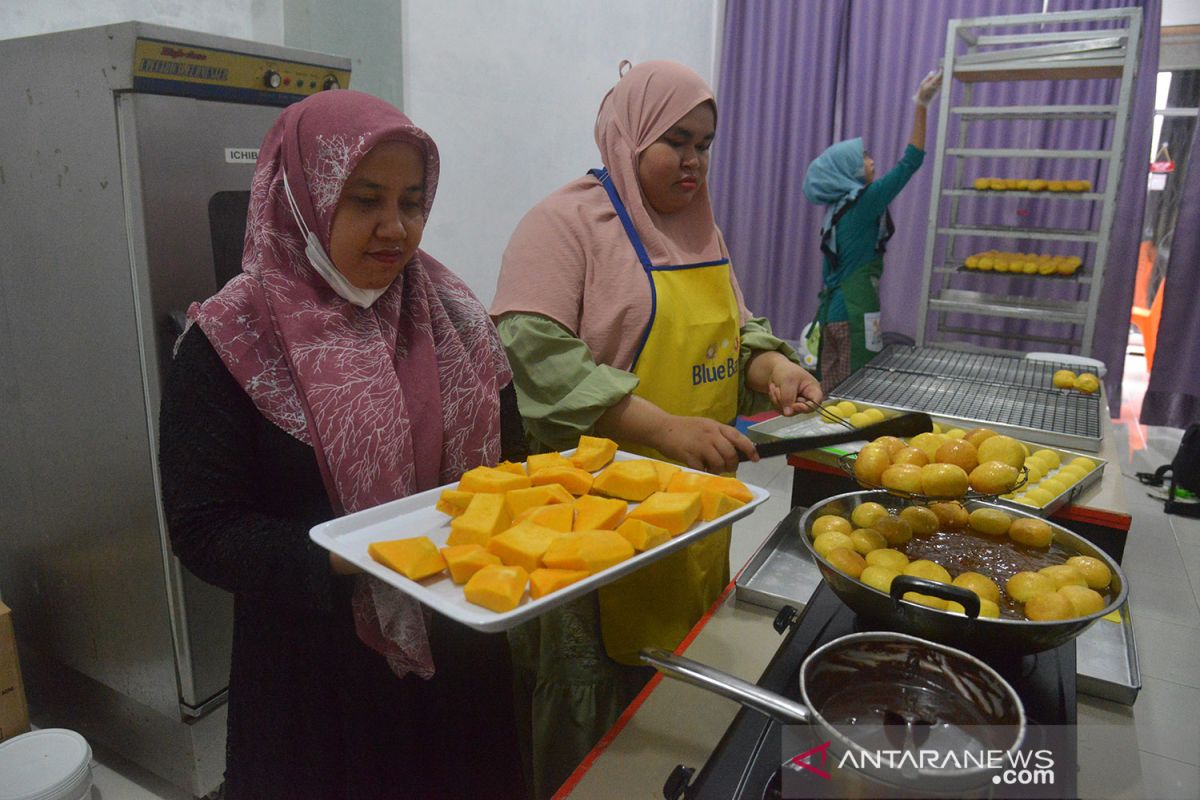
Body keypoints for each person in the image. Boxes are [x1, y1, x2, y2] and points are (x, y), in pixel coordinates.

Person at [158, 90, 526, 800]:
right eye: (364, 200)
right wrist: (346, 551)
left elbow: (510, 467)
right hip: (316, 675)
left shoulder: (455, 319)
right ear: (303, 199)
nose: (396, 228)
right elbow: (203, 527)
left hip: (460, 647)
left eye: (412, 201)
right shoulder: (232, 342)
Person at [490, 60, 823, 798]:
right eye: (675, 140)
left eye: (704, 142)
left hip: (691, 506)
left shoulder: (699, 227)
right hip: (589, 516)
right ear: (630, 134)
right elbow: (537, 356)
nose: (694, 160)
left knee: (674, 683)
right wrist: (662, 427)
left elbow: (734, 330)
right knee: (593, 716)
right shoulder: (566, 224)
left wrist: (771, 368)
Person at [802, 69, 943, 392]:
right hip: (853, 314)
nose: (872, 161)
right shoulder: (865, 202)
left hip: (832, 314)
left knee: (828, 389)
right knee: (855, 393)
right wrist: (921, 104)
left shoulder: (837, 211)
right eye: (864, 157)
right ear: (847, 170)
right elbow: (911, 161)